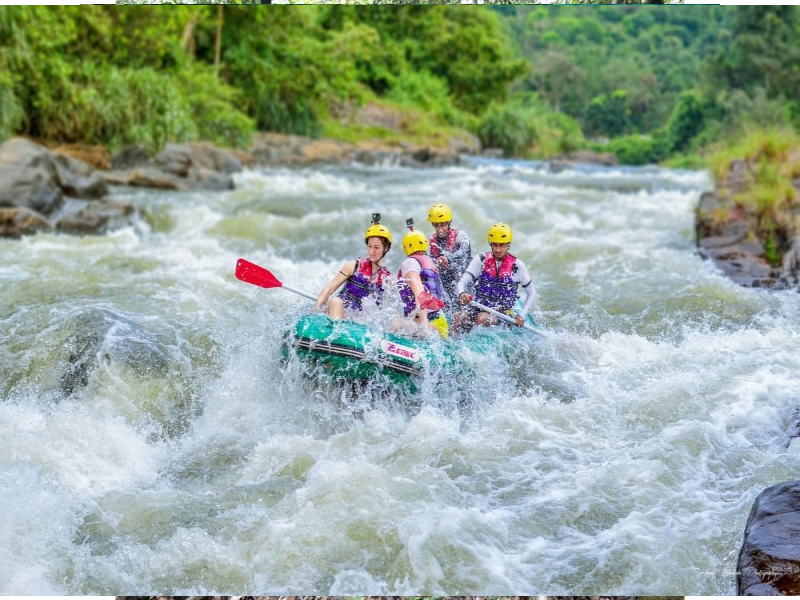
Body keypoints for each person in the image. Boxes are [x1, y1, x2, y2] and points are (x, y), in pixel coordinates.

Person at [453, 222, 537, 333]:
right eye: (495, 245)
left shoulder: (517, 266)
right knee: (458, 318)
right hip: (478, 307)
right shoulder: (480, 260)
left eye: (502, 245)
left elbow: (532, 293)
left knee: (481, 318)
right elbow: (461, 283)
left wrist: (521, 315)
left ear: (508, 245)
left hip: (503, 314)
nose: (498, 250)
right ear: (490, 244)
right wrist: (461, 294)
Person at [315, 214, 393, 320]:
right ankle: (335, 330)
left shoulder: (388, 279)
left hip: (361, 322)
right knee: (335, 301)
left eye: (376, 247)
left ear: (386, 248)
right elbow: (330, 287)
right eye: (369, 246)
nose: (371, 251)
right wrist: (317, 308)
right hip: (340, 312)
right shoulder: (354, 266)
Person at [396, 219, 448, 339]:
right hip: (440, 323)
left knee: (394, 323)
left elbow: (420, 291)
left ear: (406, 247)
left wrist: (424, 325)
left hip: (429, 324)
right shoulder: (429, 262)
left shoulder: (409, 263)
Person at [427, 202, 471, 307]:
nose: (439, 229)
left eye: (443, 224)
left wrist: (447, 258)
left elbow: (463, 252)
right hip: (446, 280)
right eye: (436, 225)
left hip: (463, 275)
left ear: (449, 222)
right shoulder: (433, 241)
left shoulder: (461, 235)